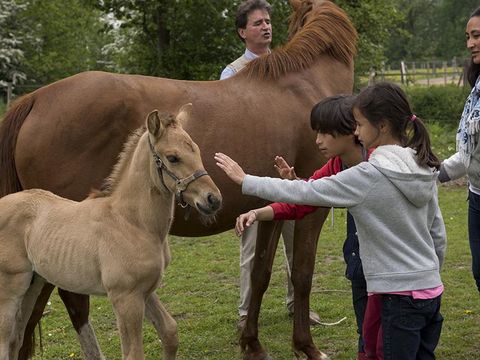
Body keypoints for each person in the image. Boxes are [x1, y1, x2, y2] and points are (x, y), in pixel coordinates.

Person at [215, 82, 446, 359]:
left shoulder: (367, 175)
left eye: (359, 124)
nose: (357, 131)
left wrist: (245, 181)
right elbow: (437, 231)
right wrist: (429, 273)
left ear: (381, 126)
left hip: (393, 294)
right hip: (429, 289)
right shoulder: (423, 164)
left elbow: (309, 192)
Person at [244, 94, 372, 360]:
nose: (317, 141)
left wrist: (244, 180)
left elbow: (314, 194)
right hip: (363, 257)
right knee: (367, 326)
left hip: (392, 271)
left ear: (351, 131)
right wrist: (264, 207)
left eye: (325, 133)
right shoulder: (337, 163)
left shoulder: (377, 165)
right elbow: (307, 197)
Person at [220, 0, 320, 329]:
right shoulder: (233, 73)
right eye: (257, 23)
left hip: (288, 172)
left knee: (296, 237)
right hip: (254, 173)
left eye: (268, 21)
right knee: (252, 244)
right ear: (241, 32)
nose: (266, 26)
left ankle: (297, 303)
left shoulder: (286, 68)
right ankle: (246, 312)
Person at [438, 6, 480, 295]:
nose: (470, 43)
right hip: (476, 195)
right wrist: (434, 171)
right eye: (468, 36)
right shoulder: (477, 87)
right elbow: (469, 152)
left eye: (477, 35)